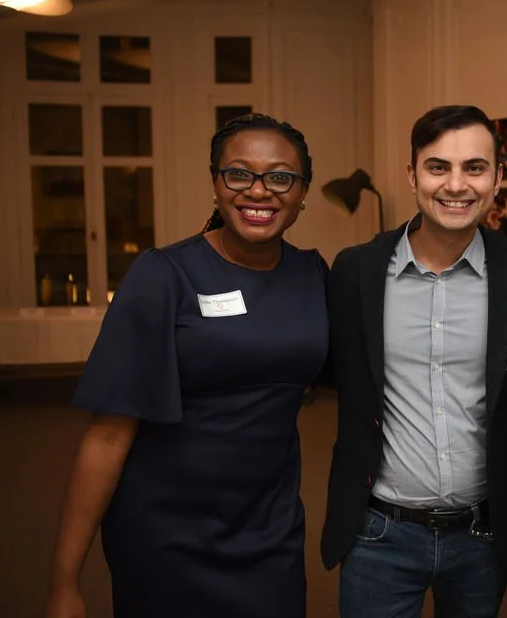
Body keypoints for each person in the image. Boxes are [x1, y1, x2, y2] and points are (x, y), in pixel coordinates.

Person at [46, 114, 328, 618]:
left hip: (270, 529)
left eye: (280, 176)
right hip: (165, 534)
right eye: (239, 174)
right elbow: (108, 435)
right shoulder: (164, 274)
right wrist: (64, 582)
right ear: (216, 184)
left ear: (303, 191)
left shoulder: (313, 273)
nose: (259, 191)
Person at [320, 104, 507, 617]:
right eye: (438, 167)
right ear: (412, 176)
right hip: (378, 530)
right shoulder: (356, 272)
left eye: (474, 168)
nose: (456, 185)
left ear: (498, 179)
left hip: (481, 534)